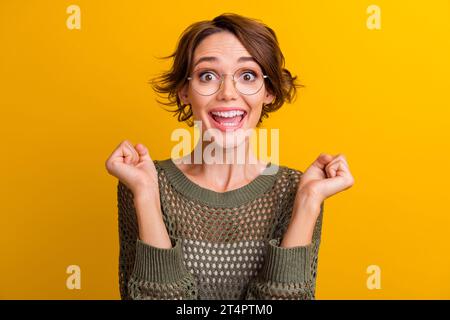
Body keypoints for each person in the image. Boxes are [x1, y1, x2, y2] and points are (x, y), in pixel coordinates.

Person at [105, 13, 354, 300]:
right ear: (184, 90)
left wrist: (309, 202)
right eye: (207, 76)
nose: (227, 93)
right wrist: (146, 196)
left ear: (269, 91)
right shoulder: (143, 182)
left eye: (247, 76)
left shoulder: (297, 191)